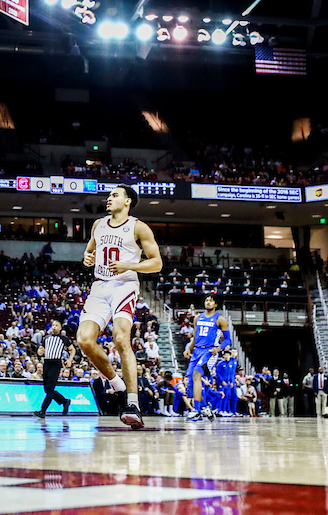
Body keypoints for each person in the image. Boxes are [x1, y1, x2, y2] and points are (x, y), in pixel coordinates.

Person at [75, 184, 163, 430]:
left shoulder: (138, 227)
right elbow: (89, 251)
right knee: (84, 340)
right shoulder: (98, 224)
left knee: (121, 337)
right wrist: (88, 258)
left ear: (127, 201)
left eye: (115, 195)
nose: (109, 198)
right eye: (109, 195)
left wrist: (128, 265)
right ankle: (118, 384)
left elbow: (157, 263)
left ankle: (133, 403)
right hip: (100, 286)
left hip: (124, 285)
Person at [184, 295, 230, 421]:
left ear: (216, 304)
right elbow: (195, 336)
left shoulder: (220, 319)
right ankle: (205, 407)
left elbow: (228, 340)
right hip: (197, 351)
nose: (208, 302)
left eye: (211, 301)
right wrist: (189, 348)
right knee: (190, 383)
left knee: (197, 374)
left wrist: (218, 349)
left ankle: (196, 410)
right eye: (206, 300)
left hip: (210, 351)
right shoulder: (198, 318)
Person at [35, 320, 76, 418]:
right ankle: (64, 401)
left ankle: (42, 411)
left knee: (50, 389)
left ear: (60, 327)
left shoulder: (64, 339)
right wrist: (39, 352)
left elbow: (72, 349)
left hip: (56, 364)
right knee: (47, 390)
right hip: (46, 363)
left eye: (56, 325)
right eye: (53, 325)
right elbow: (41, 351)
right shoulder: (46, 338)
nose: (54, 327)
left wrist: (70, 360)